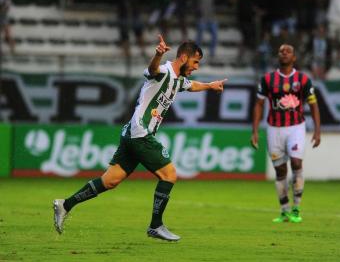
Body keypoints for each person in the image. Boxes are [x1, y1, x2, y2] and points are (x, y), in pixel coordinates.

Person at [53, 35, 227, 241]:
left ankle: (65, 205)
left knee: (110, 181)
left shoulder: (178, 80)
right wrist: (157, 54)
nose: (197, 66)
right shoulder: (164, 72)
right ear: (183, 57)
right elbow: (153, 70)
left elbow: (192, 85)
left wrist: (210, 85)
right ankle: (155, 225)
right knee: (169, 174)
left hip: (130, 134)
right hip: (140, 132)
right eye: (195, 61)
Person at [251, 44, 321, 223]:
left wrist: (318, 131)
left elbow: (313, 104)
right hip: (274, 129)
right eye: (281, 51)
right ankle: (284, 210)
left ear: (294, 57)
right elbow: (259, 104)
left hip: (296, 127)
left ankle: (296, 208)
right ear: (278, 56)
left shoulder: (303, 80)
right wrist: (255, 131)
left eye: (288, 51)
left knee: (296, 163)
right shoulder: (268, 79)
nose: (284, 53)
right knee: (280, 170)